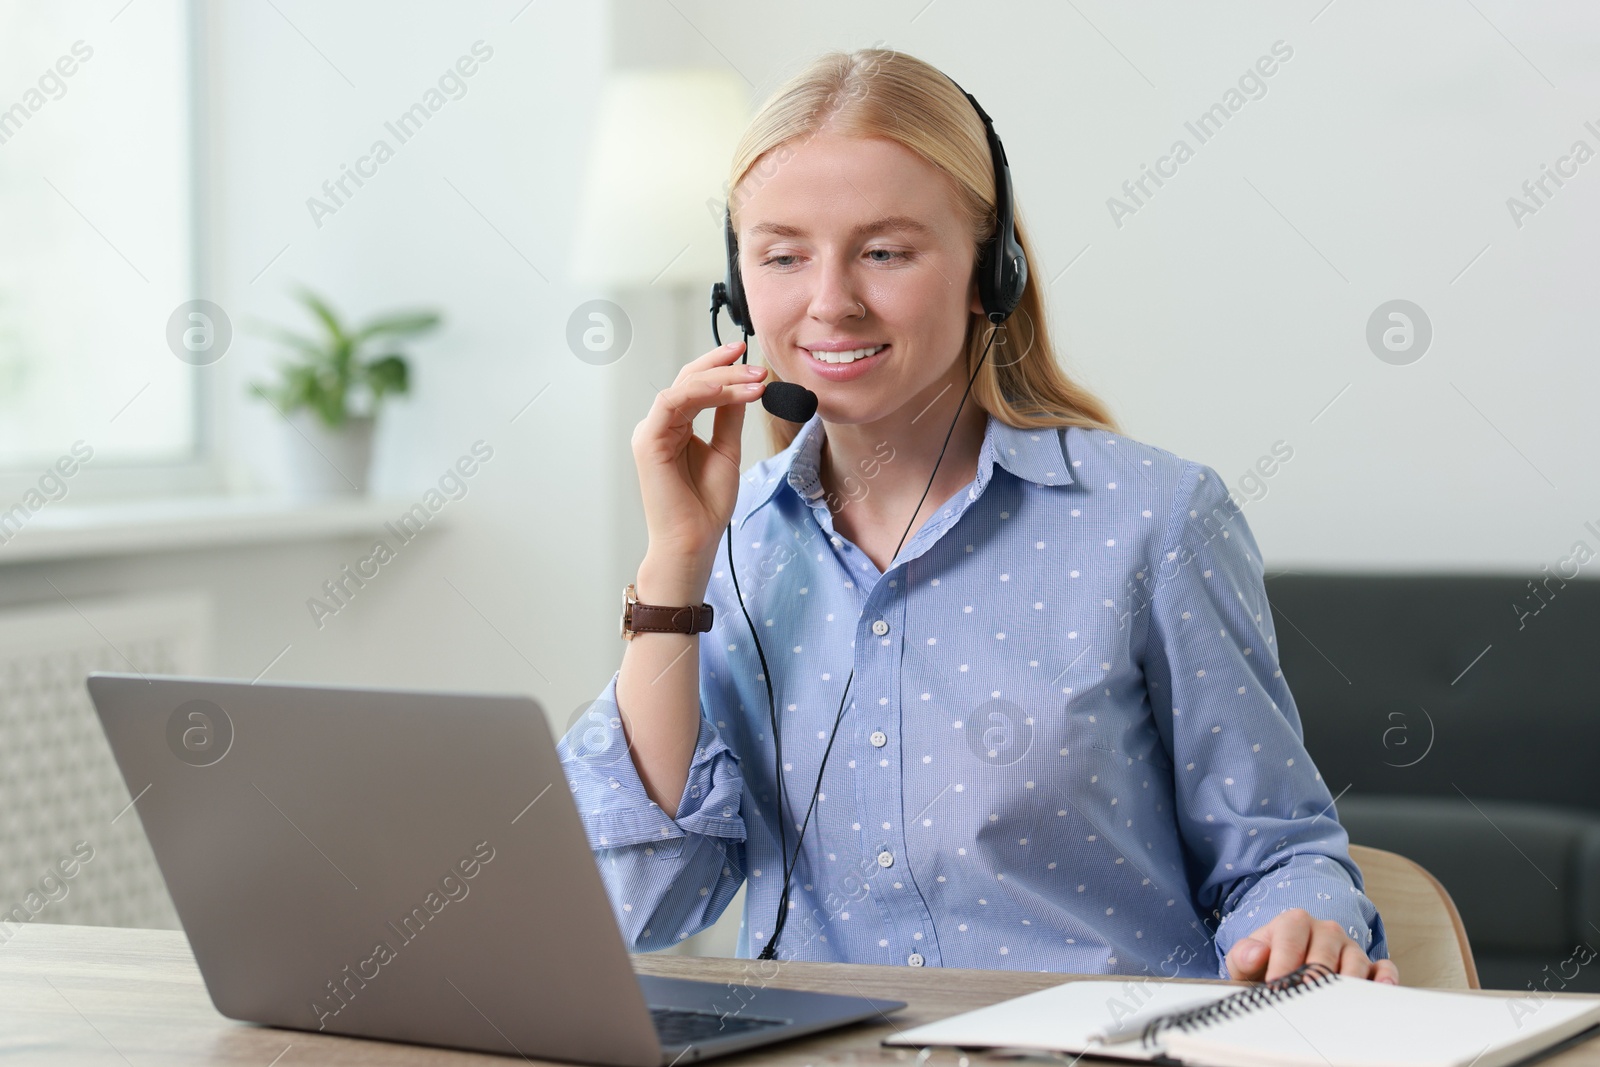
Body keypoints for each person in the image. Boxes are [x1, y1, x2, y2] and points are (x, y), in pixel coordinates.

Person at [558, 47, 1397, 985]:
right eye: (783, 254)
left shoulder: (1155, 521)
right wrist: (676, 558)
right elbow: (634, 900)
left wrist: (1306, 927)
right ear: (736, 278)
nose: (830, 302)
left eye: (886, 251)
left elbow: (1283, 852)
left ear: (990, 271)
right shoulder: (735, 544)